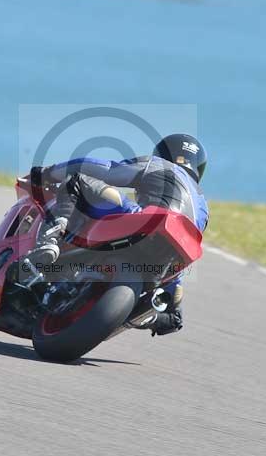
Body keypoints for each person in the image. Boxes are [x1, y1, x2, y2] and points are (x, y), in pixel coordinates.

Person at [32, 133, 209, 337]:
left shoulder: (157, 164)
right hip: (174, 256)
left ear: (163, 152)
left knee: (76, 181)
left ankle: (49, 241)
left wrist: (47, 173)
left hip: (146, 223)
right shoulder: (203, 205)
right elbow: (184, 241)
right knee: (172, 304)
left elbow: (106, 170)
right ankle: (152, 313)